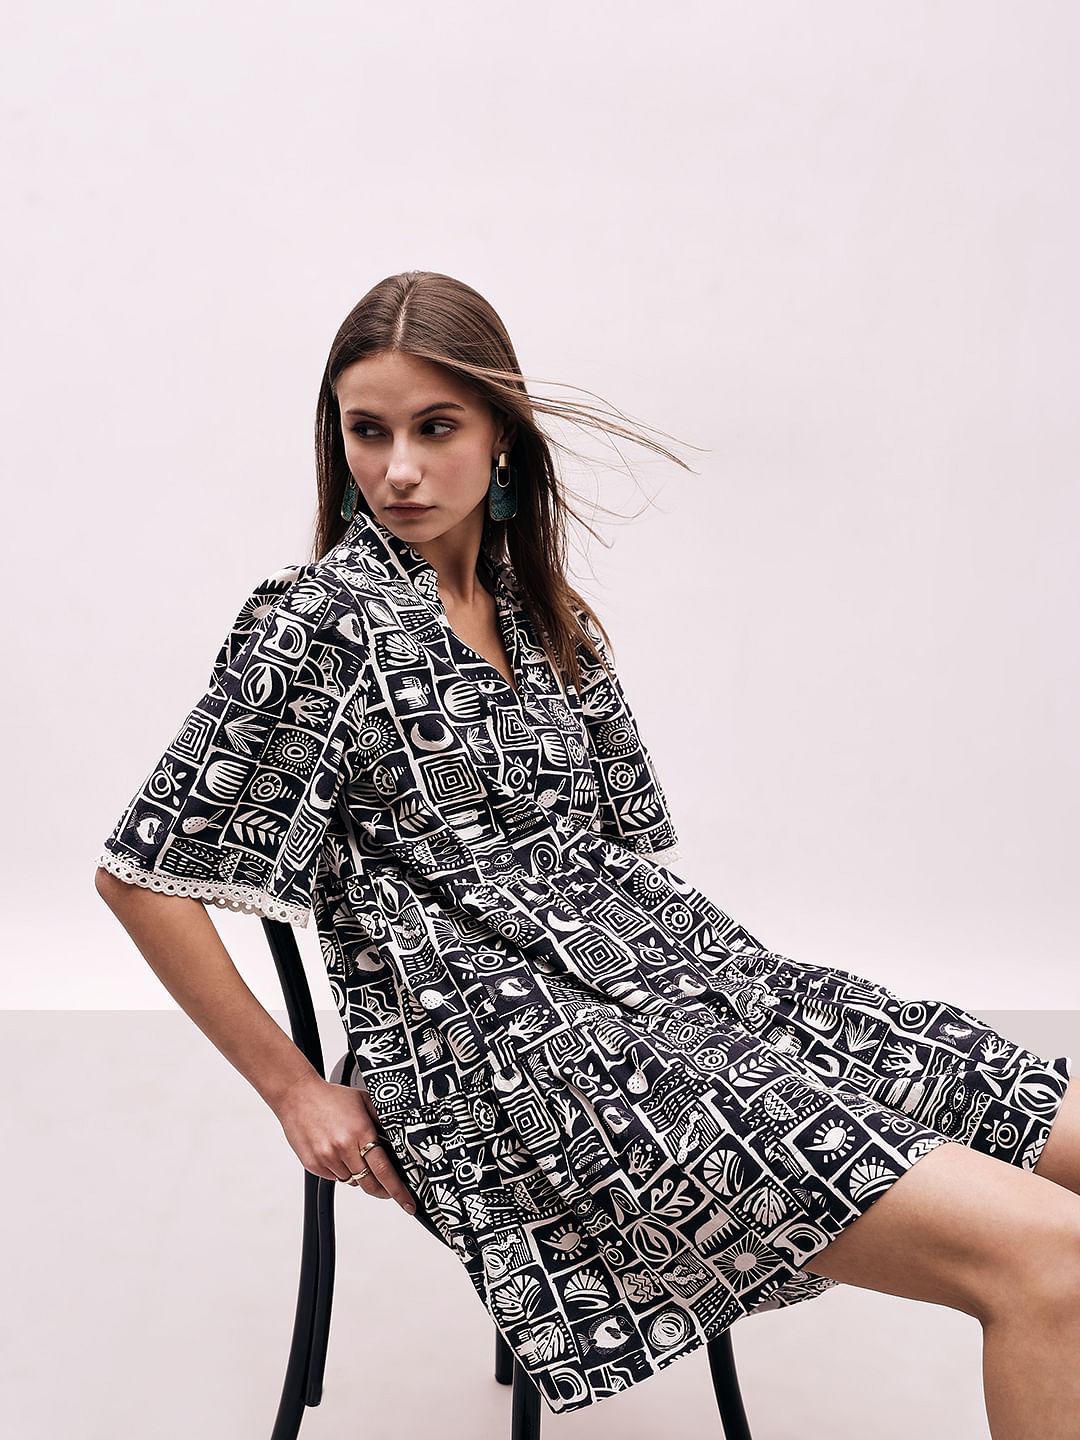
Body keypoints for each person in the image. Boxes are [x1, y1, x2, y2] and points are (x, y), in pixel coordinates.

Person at [95, 270, 1080, 1433]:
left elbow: (618, 860)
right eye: (369, 431)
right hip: (507, 1061)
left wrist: (748, 1020)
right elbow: (138, 876)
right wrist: (294, 1090)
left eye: (435, 427)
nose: (398, 469)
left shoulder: (544, 617)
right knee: (1049, 1257)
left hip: (684, 990)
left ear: (501, 437)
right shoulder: (319, 623)